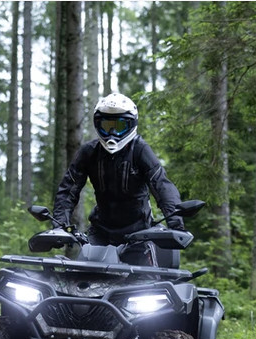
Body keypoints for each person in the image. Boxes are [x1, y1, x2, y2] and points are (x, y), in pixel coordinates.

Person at [52, 93, 184, 265]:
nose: (112, 133)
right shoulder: (89, 152)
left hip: (139, 234)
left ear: (131, 125)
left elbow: (162, 185)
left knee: (144, 284)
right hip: (100, 233)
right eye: (107, 126)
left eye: (119, 126)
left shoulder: (140, 150)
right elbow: (68, 190)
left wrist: (176, 224)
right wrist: (59, 227)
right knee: (81, 280)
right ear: (98, 125)